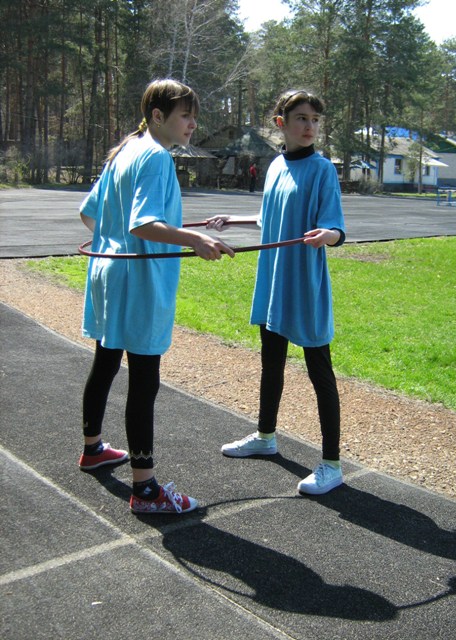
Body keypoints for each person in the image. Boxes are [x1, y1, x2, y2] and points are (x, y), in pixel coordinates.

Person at [78, 78, 234, 515]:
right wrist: (193, 238)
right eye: (185, 115)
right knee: (144, 380)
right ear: (158, 116)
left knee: (106, 362)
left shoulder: (125, 151)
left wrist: (120, 240)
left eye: (194, 116)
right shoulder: (155, 157)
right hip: (137, 280)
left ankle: (93, 449)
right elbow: (143, 224)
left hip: (108, 274)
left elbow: (89, 215)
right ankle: (145, 490)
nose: (192, 124)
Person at [207, 89, 345, 495]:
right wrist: (233, 219)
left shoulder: (323, 170)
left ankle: (332, 465)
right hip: (274, 280)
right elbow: (272, 216)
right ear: (281, 123)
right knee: (271, 362)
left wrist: (328, 235)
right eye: (301, 118)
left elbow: (336, 227)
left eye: (315, 120)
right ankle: (265, 437)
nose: (310, 126)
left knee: (320, 371)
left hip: (305, 283)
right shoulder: (276, 166)